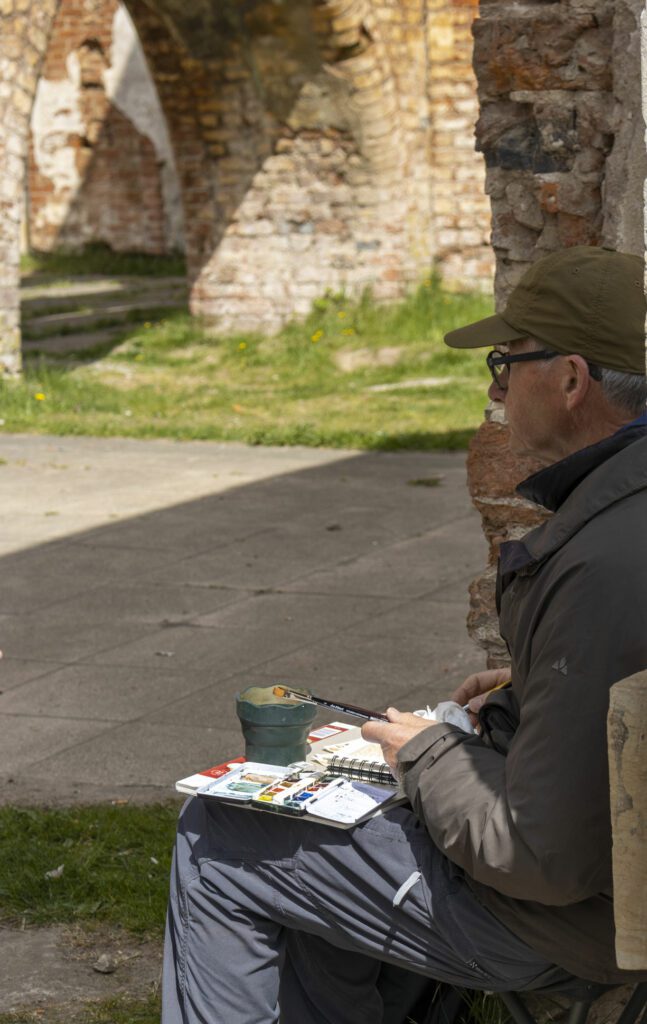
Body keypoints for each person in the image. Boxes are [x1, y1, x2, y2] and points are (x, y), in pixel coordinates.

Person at [162, 246, 647, 1024]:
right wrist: (536, 688)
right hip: (605, 890)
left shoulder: (601, 567)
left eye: (504, 363)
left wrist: (424, 754)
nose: (493, 388)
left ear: (569, 378)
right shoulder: (623, 517)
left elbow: (537, 858)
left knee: (220, 834)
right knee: (314, 825)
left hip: (576, 924)